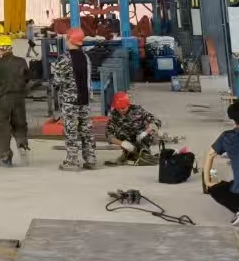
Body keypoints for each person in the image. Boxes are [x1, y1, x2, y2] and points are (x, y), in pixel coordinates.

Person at [52, 27, 96, 171]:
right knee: (86, 130)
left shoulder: (64, 59)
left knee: (71, 131)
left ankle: (72, 161)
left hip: (70, 102)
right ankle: (90, 159)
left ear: (69, 39)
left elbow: (57, 81)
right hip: (85, 100)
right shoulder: (86, 57)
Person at [0, 35, 30, 166]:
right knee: (20, 124)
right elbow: (27, 78)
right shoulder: (21, 61)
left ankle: (5, 157)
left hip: (4, 99)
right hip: (19, 98)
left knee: (3, 127)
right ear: (11, 48)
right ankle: (22, 144)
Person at [104, 92, 163, 165]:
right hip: (126, 140)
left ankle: (143, 152)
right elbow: (108, 134)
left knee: (145, 155)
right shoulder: (114, 115)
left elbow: (155, 120)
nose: (121, 110)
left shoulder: (138, 110)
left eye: (123, 108)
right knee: (120, 132)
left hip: (141, 138)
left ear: (128, 105)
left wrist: (146, 132)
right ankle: (128, 153)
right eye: (118, 108)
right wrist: (122, 143)